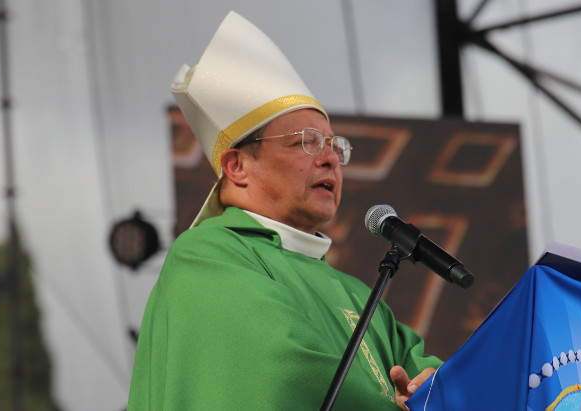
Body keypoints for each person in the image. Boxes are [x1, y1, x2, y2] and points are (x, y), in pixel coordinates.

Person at [128, 11, 440, 410]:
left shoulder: (357, 293)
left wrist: (434, 390)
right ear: (237, 166)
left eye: (335, 146)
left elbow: (437, 376)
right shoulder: (207, 255)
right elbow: (284, 374)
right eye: (306, 143)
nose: (330, 159)